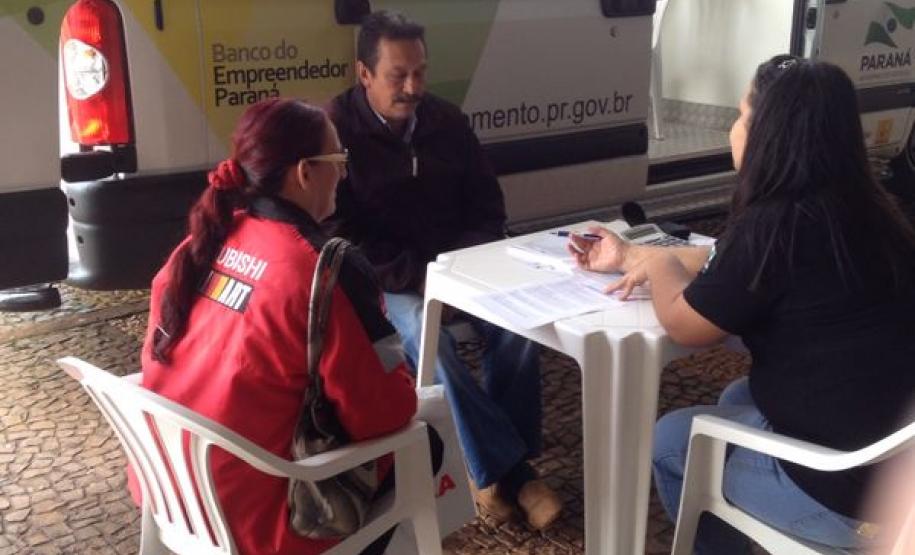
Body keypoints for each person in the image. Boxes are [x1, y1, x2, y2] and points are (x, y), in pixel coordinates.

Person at [570, 55, 915, 553]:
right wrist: (629, 255)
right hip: (896, 475)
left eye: (741, 116)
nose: (733, 129)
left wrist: (662, 266)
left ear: (766, 135)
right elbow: (733, 263)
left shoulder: (772, 224)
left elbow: (685, 325)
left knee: (672, 441)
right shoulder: (871, 213)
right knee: (738, 396)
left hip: (845, 496)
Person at [133, 98, 423, 555]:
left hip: (171, 492)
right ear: (305, 172)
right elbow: (386, 413)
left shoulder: (200, 244)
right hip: (260, 521)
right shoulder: (324, 270)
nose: (343, 173)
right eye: (339, 159)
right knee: (429, 442)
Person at [324, 10, 562, 529]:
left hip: (459, 266)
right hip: (390, 280)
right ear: (363, 74)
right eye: (398, 76)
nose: (413, 88)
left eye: (420, 72)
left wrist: (459, 270)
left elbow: (488, 209)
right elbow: (342, 235)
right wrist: (421, 279)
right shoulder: (335, 132)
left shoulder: (446, 121)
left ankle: (494, 471)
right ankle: (511, 472)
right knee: (431, 342)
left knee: (519, 330)